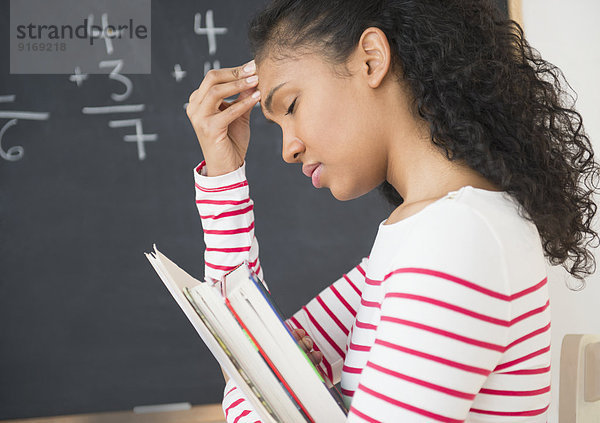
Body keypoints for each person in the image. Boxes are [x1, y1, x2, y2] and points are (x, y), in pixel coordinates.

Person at [185, 0, 599, 421]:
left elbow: (251, 378)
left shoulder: (455, 240)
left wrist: (247, 397)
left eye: (291, 106)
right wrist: (224, 175)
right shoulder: (428, 235)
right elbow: (250, 356)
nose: (289, 148)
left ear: (371, 59)